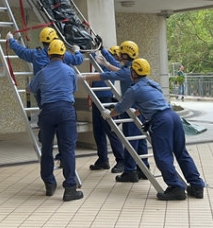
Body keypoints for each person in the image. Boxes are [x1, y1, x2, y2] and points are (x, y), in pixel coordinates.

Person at [101, 58, 206, 200]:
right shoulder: (154, 84)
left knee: (163, 156)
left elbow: (120, 108)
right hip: (173, 116)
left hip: (161, 121)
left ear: (133, 73)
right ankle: (197, 185)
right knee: (181, 152)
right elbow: (153, 102)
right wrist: (139, 111)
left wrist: (109, 114)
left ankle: (176, 188)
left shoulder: (134, 90)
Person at [85, 40, 150, 183]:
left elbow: (110, 75)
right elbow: (118, 69)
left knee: (130, 140)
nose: (118, 54)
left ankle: (130, 171)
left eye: (121, 52)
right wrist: (102, 49)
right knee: (139, 139)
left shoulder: (127, 71)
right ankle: (143, 168)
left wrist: (83, 77)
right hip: (141, 108)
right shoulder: (133, 68)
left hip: (131, 108)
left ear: (126, 55)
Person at [28, 40, 83, 202]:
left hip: (47, 111)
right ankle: (70, 189)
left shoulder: (43, 72)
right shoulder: (69, 71)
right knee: (67, 149)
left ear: (48, 54)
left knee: (46, 149)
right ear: (63, 54)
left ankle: (49, 184)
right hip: (66, 110)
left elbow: (31, 88)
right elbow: (73, 89)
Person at [6, 27, 83, 89]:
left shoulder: (36, 54)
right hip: (60, 90)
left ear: (42, 41)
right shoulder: (62, 54)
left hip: (42, 93)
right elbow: (78, 60)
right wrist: (77, 50)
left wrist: (11, 40)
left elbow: (21, 51)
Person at [87, 46, 124, 173]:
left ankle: (121, 160)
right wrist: (89, 48)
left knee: (110, 131)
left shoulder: (113, 64)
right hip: (96, 99)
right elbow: (92, 58)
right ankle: (102, 159)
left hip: (106, 100)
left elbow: (111, 61)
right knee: (98, 131)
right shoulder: (101, 65)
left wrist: (102, 49)